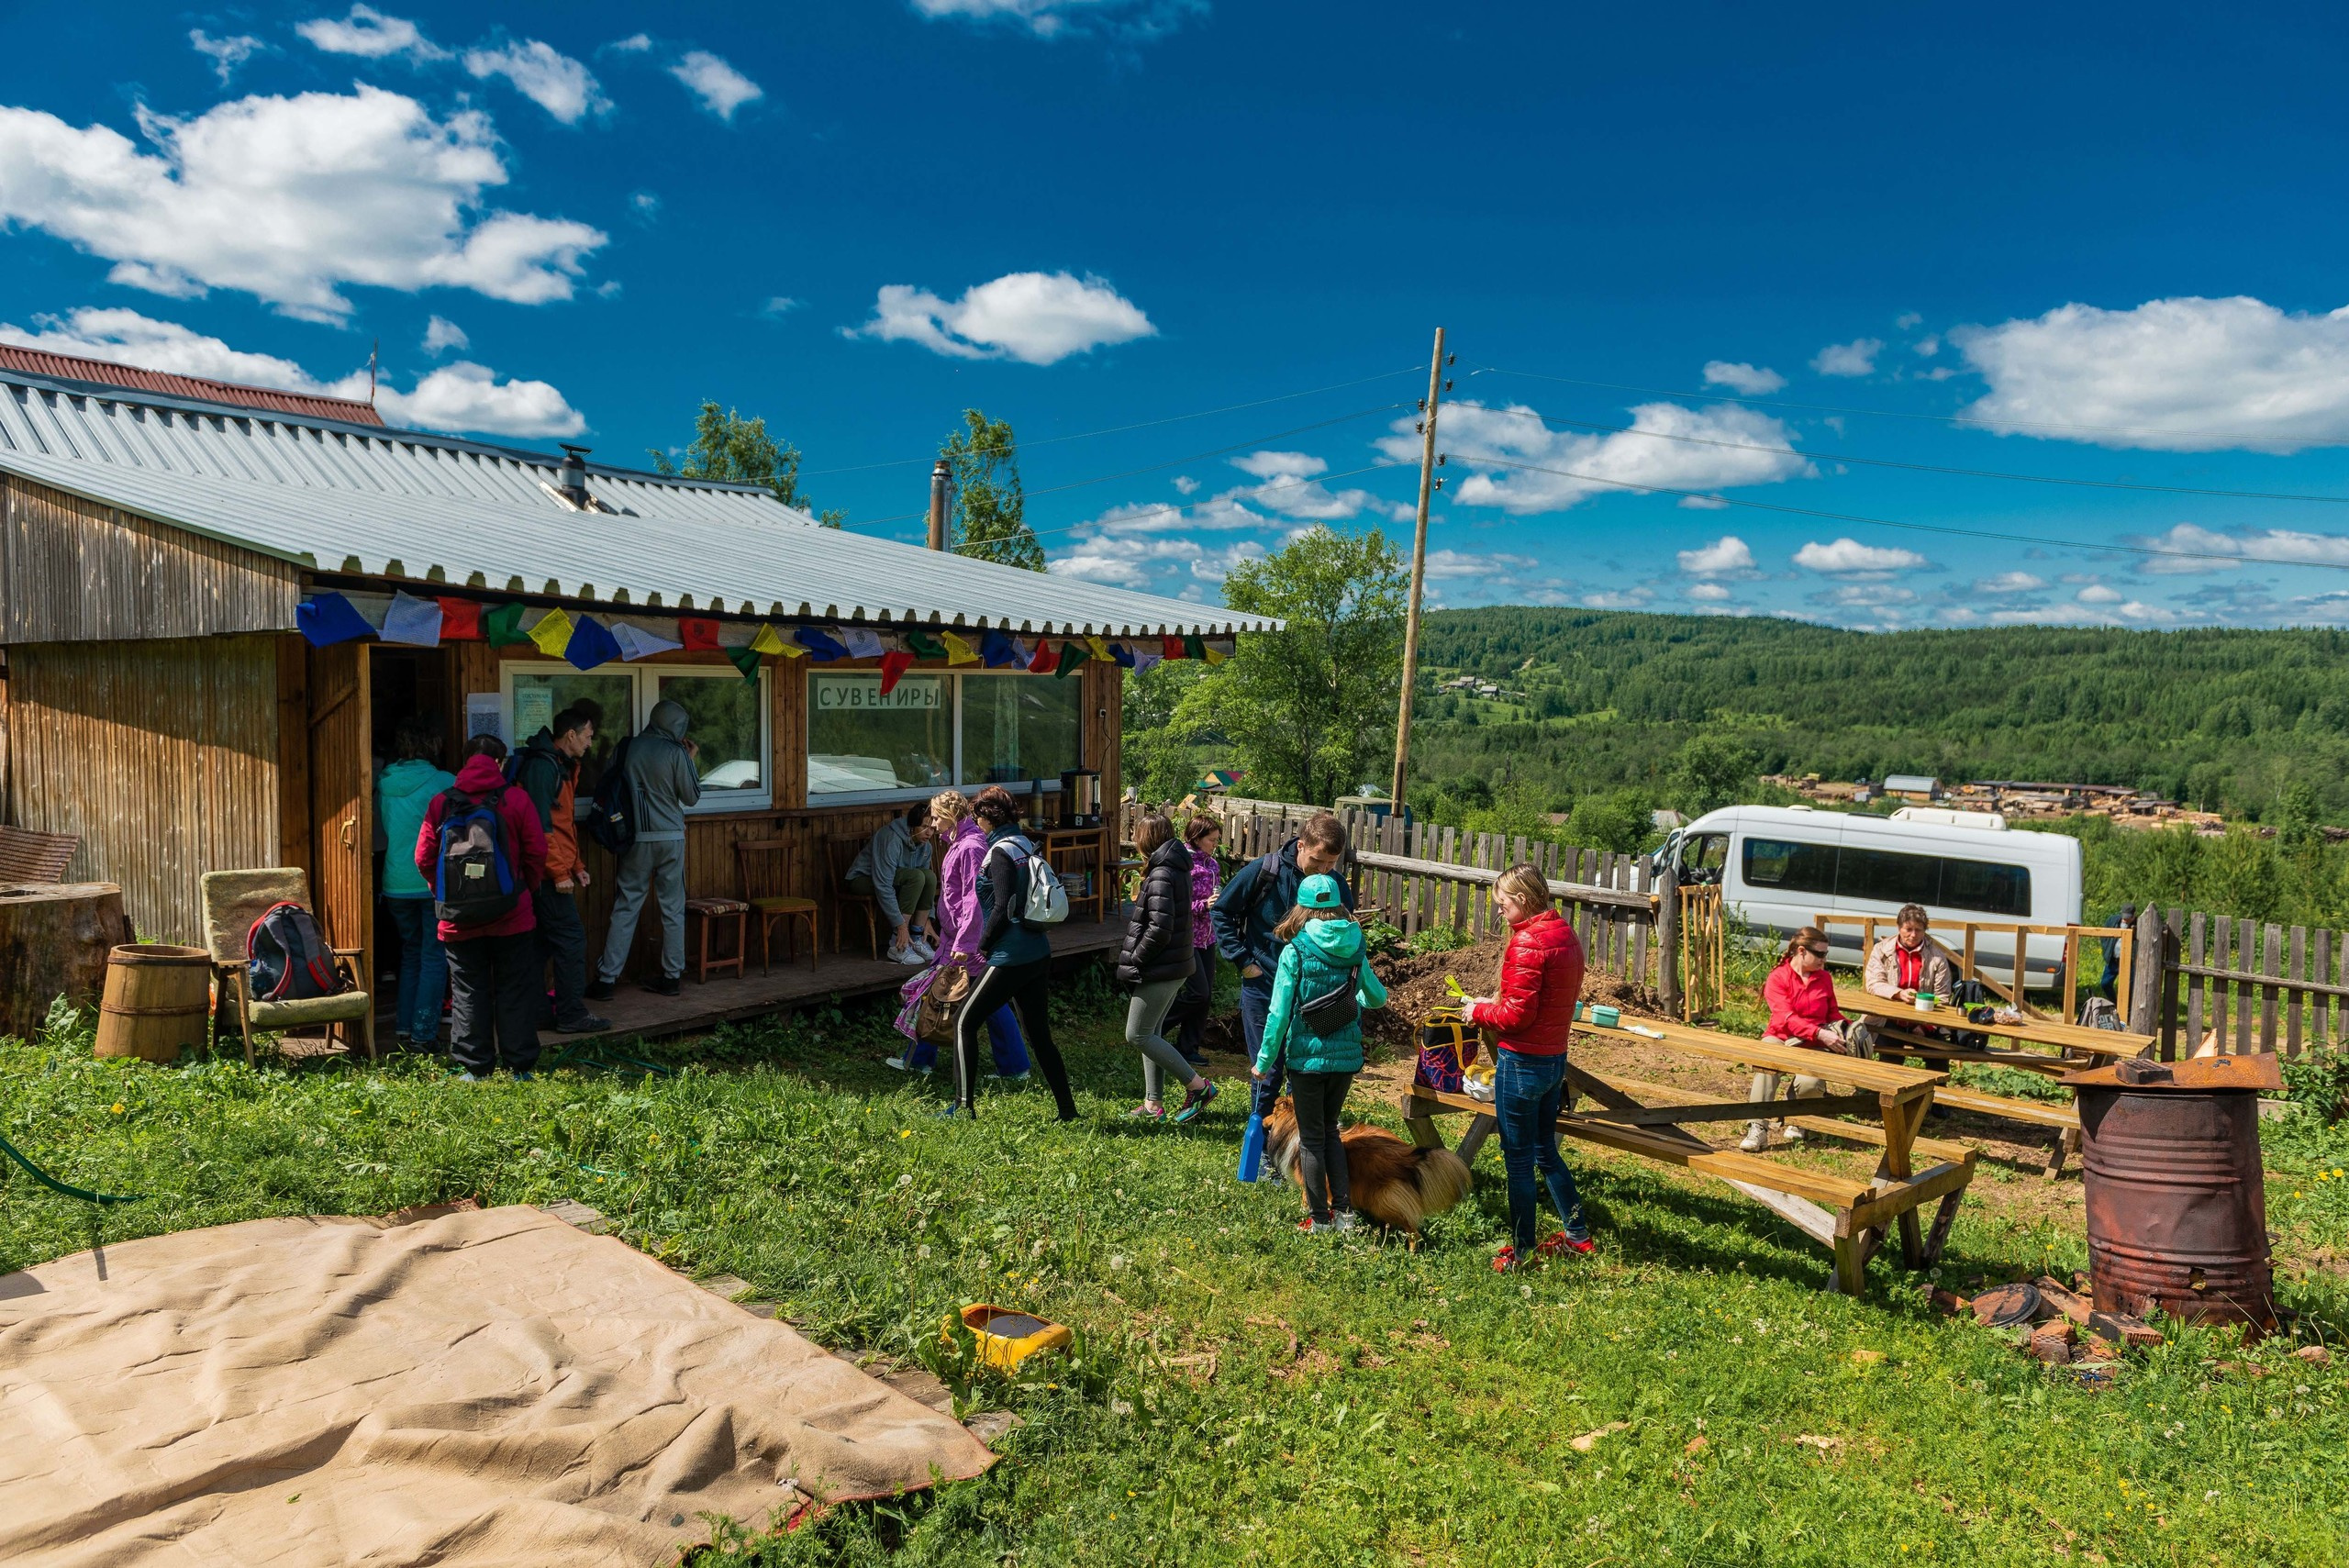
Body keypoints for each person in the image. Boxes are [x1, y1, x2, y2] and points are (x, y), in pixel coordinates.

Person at [1463, 862, 1594, 1271]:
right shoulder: (1564, 934)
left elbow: (1516, 1017)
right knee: (1545, 1153)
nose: (1499, 912)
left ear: (1521, 900)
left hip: (1521, 1063)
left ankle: (1522, 1252)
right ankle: (1578, 1237)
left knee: (1518, 1161)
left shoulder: (1526, 944)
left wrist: (1480, 1010)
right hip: (1554, 1059)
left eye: (1502, 905)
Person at [1252, 873, 1386, 1234]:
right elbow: (1377, 997)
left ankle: (1320, 1219)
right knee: (1330, 1132)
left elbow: (1278, 1013)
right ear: (1338, 907)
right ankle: (1344, 1215)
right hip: (1345, 1061)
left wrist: (1263, 1062)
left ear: (1302, 908)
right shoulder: (1355, 946)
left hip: (1306, 1060)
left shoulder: (1295, 950)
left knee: (1312, 1139)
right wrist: (1350, 999)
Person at [415, 737, 547, 1080]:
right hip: (512, 915)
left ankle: (475, 1069)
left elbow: (424, 858)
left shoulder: (441, 803)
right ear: (500, 763)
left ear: (464, 762)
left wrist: (445, 891)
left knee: (468, 989)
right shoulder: (516, 799)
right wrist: (524, 891)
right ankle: (519, 1067)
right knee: (514, 987)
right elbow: (536, 853)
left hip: (458, 920)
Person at [946, 785, 1077, 1122]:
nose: (975, 823)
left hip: (1011, 954)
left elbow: (1003, 907)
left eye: (977, 817)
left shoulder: (1000, 852)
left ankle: (963, 1108)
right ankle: (1067, 1111)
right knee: (1039, 1036)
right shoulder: (1023, 843)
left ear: (988, 817)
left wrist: (983, 945)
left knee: (964, 1021)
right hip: (1037, 950)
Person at [1213, 812, 1351, 1128]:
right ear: (1301, 845)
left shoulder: (1336, 885)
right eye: (1317, 861)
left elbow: (1345, 933)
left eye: (1331, 863)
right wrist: (1244, 962)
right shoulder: (1264, 872)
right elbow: (1222, 911)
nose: (1324, 870)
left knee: (1304, 1071)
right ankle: (1261, 1146)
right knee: (1268, 1070)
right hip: (1265, 986)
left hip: (1313, 996)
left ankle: (1294, 1145)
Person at [889, 790, 1030, 1080]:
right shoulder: (959, 843)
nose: (933, 825)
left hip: (966, 944)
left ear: (951, 817)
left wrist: (965, 943)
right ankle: (1014, 1066)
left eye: (937, 818)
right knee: (957, 998)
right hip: (957, 939)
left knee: (948, 998)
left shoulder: (969, 848)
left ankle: (920, 1060)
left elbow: (972, 900)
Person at [589, 698, 699, 999]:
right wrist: (690, 758)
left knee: (627, 905)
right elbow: (691, 797)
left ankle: (607, 980)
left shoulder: (628, 748)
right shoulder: (676, 752)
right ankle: (672, 976)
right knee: (673, 908)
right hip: (672, 838)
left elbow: (609, 782)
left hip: (635, 838)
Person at [511, 702, 608, 1034]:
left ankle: (539, 1013)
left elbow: (562, 823)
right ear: (571, 734)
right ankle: (571, 1014)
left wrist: (576, 865)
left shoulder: (561, 765)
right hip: (545, 874)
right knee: (571, 940)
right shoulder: (544, 767)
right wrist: (559, 872)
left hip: (549, 870)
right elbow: (540, 828)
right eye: (588, 736)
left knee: (540, 944)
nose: (590, 743)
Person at [1119, 811, 1219, 1123]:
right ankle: (1153, 1104)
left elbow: (1160, 928)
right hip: (1177, 963)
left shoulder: (1162, 873)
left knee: (1137, 1034)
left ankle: (1198, 1087)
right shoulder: (1174, 867)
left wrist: (1137, 958)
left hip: (1162, 965)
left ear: (1145, 839)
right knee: (1154, 1031)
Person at [375, 715, 454, 1049]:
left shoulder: (383, 781)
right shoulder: (445, 781)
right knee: (434, 956)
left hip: (394, 880)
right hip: (431, 881)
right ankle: (424, 1033)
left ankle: (406, 1026)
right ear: (433, 746)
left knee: (411, 953)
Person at [1742, 926, 1851, 1152]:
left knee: (1811, 1084)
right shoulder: (1778, 977)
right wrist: (1820, 1033)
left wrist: (1851, 1028)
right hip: (1780, 1037)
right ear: (1801, 951)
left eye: (1825, 954)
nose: (1824, 959)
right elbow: (1786, 1017)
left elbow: (1832, 1014)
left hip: (1813, 1045)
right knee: (1766, 1062)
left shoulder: (1825, 978)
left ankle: (1797, 1119)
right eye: (1820, 954)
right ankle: (1757, 1127)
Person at [850, 802, 941, 964]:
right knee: (916, 877)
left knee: (929, 876)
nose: (929, 833)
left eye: (932, 828)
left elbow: (926, 883)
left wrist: (928, 919)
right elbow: (883, 884)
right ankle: (897, 945)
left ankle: (917, 937)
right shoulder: (891, 838)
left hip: (898, 880)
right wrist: (900, 926)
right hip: (863, 879)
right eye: (924, 827)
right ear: (912, 825)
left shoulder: (925, 847)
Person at [1174, 813, 1223, 1068]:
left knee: (1206, 996)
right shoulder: (1184, 865)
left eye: (1216, 840)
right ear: (1197, 837)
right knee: (1198, 992)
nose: (1215, 844)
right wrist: (1204, 905)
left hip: (1208, 937)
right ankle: (1156, 1026)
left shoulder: (1213, 865)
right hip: (1188, 938)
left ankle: (1187, 1047)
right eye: (1211, 840)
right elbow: (1178, 904)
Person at [1863, 904, 1957, 1006]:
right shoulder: (1881, 950)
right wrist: (1899, 994)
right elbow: (1874, 984)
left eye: (1918, 930)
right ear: (1898, 927)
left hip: (1922, 1017)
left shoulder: (1937, 957)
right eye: (1908, 929)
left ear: (1924, 930)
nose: (1913, 935)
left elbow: (1942, 997)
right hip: (1883, 1016)